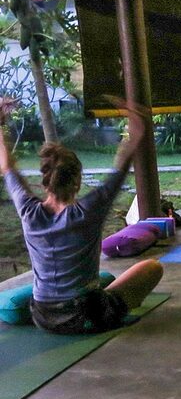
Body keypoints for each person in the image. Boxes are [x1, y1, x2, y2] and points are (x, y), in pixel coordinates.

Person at [0, 99, 163, 334]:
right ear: (77, 180)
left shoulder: (28, 210)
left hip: (42, 316)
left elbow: (8, 168)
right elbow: (121, 166)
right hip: (85, 316)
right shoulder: (88, 210)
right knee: (152, 267)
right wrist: (135, 128)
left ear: (45, 179)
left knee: (105, 281)